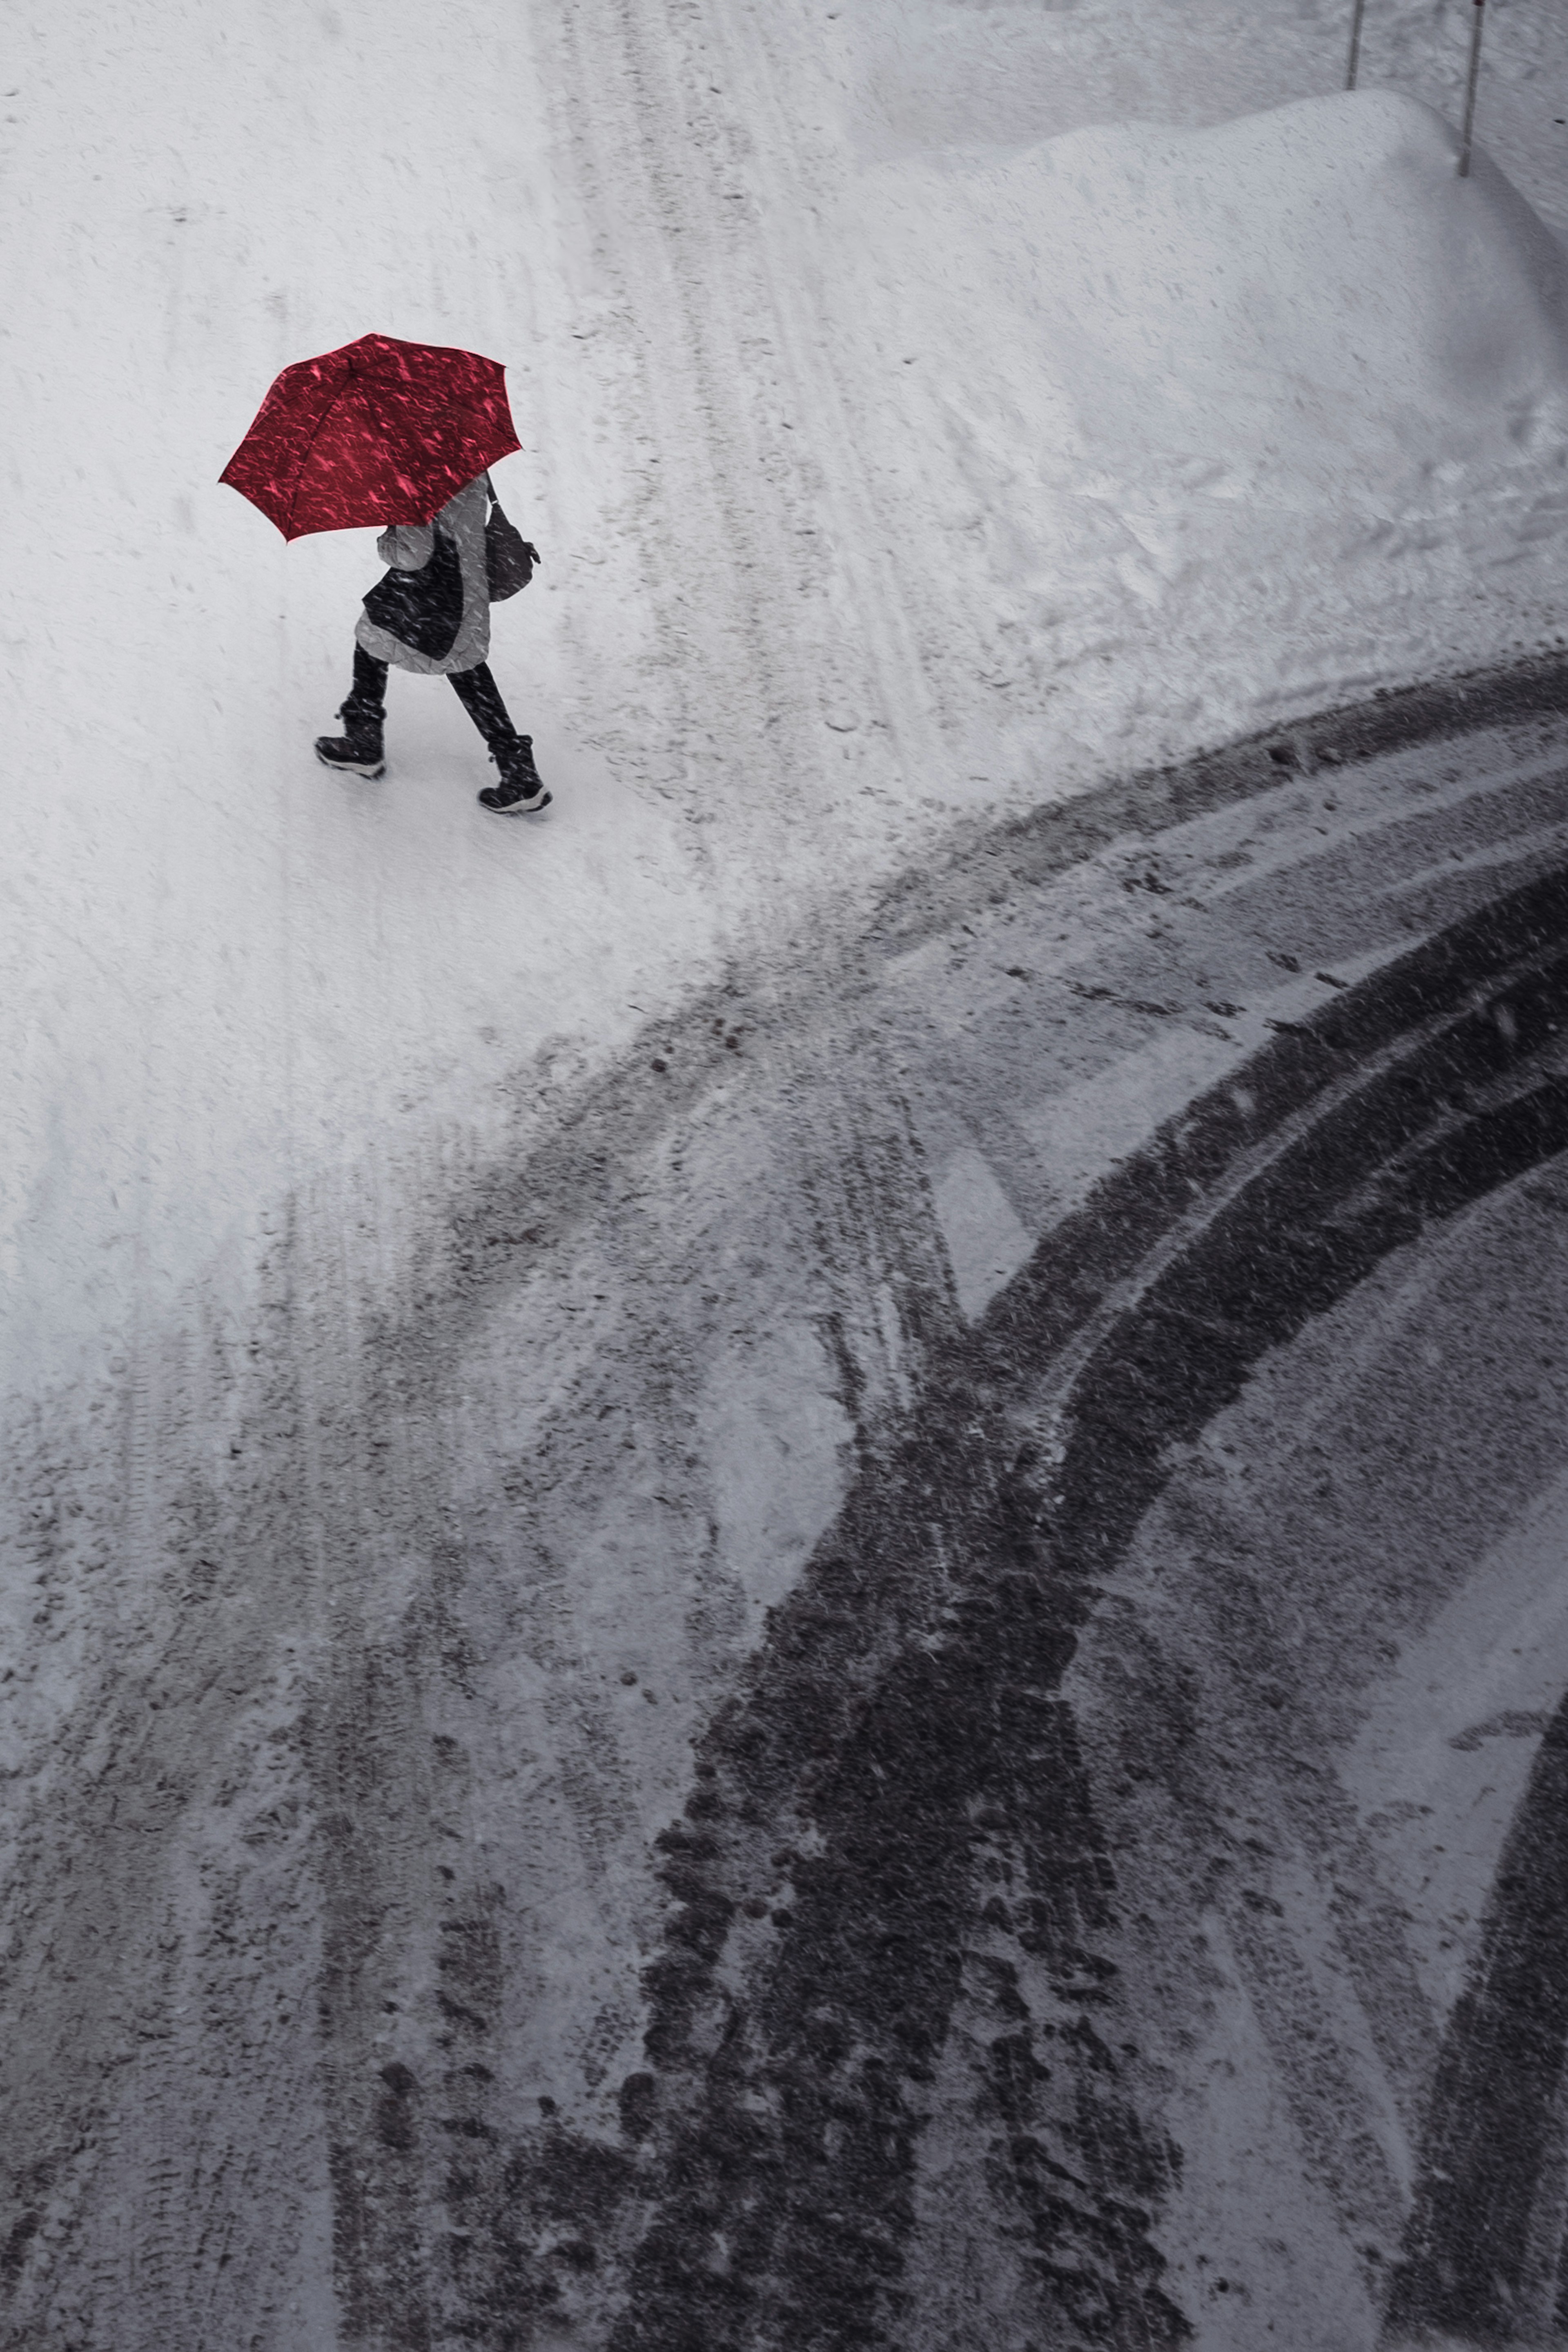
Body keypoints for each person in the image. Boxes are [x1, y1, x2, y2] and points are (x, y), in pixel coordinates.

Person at [314, 470, 550, 816]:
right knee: (465, 666)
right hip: (467, 579)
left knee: (372, 638)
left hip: (434, 592)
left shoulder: (416, 473)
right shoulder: (462, 457)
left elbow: (414, 553)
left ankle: (364, 742)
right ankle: (519, 771)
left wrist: (387, 540)